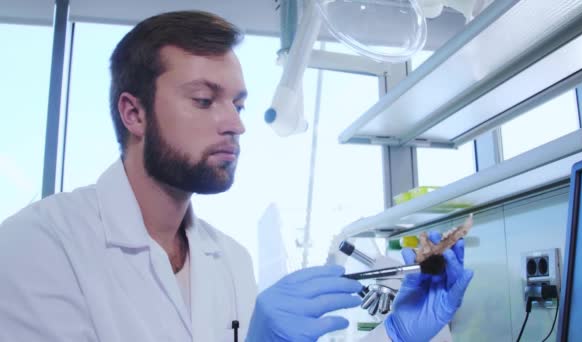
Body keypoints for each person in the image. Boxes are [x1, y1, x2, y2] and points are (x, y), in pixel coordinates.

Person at [0, 10, 473, 342]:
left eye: (238, 103)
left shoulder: (229, 258)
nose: (236, 123)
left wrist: (395, 338)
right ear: (134, 114)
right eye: (205, 101)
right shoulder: (40, 245)